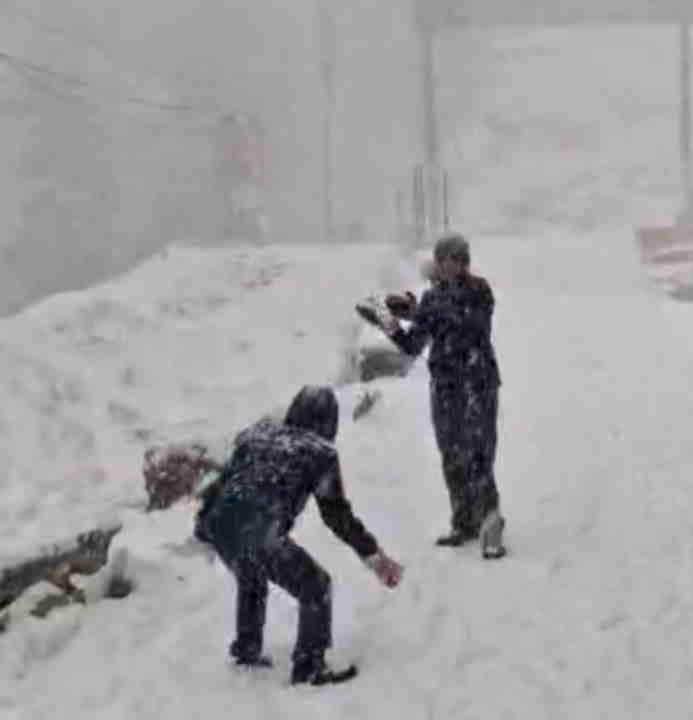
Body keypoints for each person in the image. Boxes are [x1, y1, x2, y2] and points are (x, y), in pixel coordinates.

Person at [195, 386, 403, 685]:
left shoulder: (256, 436)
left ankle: (247, 649)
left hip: (221, 525)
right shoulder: (319, 454)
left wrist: (205, 523)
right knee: (316, 587)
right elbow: (337, 517)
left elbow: (224, 483)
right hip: (259, 530)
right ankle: (309, 667)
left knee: (251, 575)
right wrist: (374, 557)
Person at [376, 232, 506, 559]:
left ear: (463, 262)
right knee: (451, 455)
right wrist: (391, 324)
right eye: (441, 259)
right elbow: (413, 346)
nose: (446, 265)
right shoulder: (433, 299)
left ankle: (491, 528)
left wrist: (422, 310)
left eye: (452, 259)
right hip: (446, 388)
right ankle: (463, 523)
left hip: (478, 383)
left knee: (479, 455)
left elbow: (472, 326)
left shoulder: (479, 290)